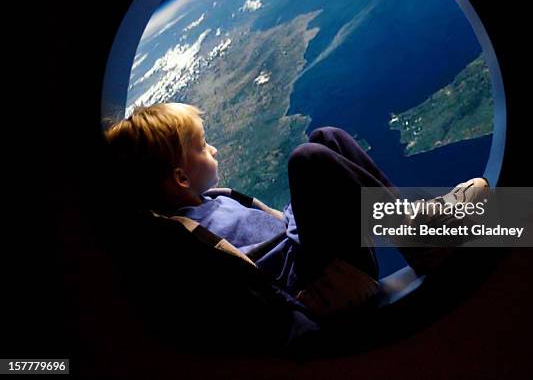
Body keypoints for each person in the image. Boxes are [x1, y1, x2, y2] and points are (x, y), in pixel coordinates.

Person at [103, 102, 488, 353]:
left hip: (316, 253)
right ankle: (425, 238)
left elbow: (277, 229)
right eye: (203, 146)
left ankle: (417, 237)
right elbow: (247, 296)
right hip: (330, 284)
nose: (214, 150)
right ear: (180, 177)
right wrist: (309, 329)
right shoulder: (189, 238)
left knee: (327, 138)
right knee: (307, 159)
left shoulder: (216, 200)